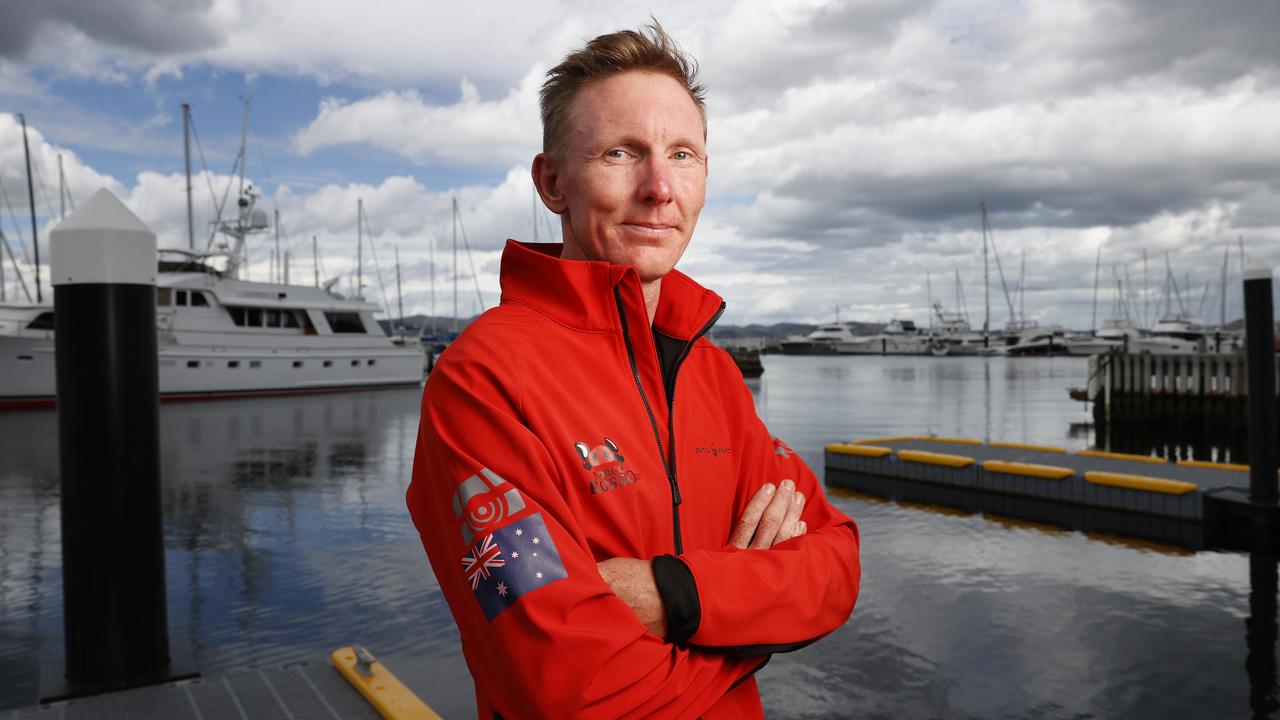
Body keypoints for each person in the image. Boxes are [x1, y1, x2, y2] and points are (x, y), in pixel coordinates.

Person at [408, 23, 860, 719]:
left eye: (683, 154)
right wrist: (751, 635)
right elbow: (575, 690)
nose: (659, 188)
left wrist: (673, 597)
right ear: (553, 182)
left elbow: (837, 567)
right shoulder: (483, 381)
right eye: (622, 153)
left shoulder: (711, 374)